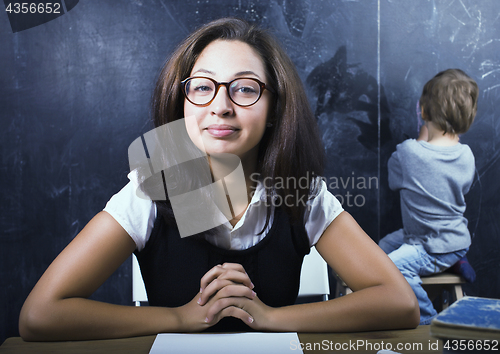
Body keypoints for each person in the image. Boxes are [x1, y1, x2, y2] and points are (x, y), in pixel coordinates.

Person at [19, 18, 419, 341]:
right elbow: (40, 315)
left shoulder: (300, 191)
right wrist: (178, 319)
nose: (221, 107)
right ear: (181, 103)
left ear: (275, 107)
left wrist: (270, 317)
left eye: (245, 88)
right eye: (203, 88)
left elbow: (399, 305)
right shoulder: (153, 185)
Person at [379, 68, 478, 325]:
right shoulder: (466, 154)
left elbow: (393, 180)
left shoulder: (410, 152)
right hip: (453, 237)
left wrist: (420, 139)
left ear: (422, 111)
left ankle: (427, 321)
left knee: (393, 267)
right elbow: (462, 188)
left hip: (429, 244)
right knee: (381, 249)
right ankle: (456, 261)